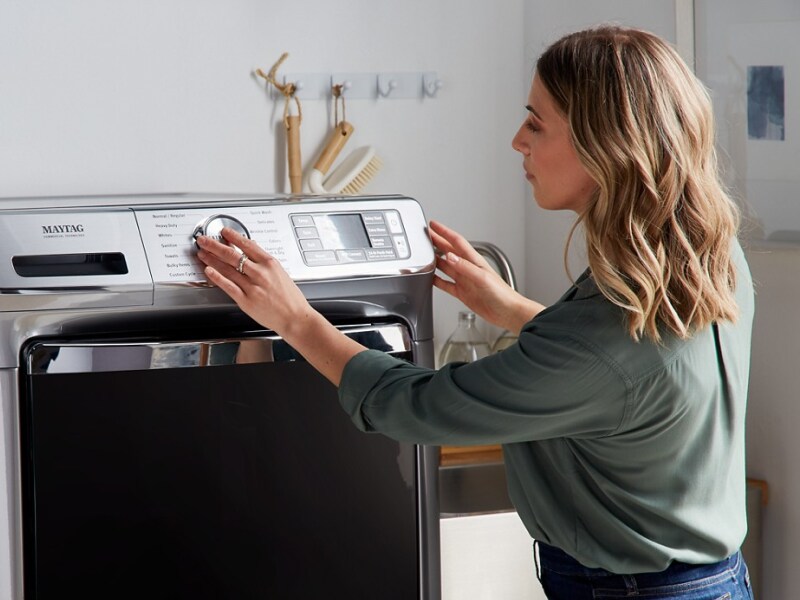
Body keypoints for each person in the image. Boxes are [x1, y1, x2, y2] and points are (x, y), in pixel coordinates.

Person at [196, 24, 755, 600]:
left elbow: (418, 407)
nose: (518, 140)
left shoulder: (601, 338)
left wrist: (296, 320)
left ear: (604, 148)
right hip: (715, 580)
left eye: (536, 124)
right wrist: (511, 308)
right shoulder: (708, 253)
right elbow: (635, 377)